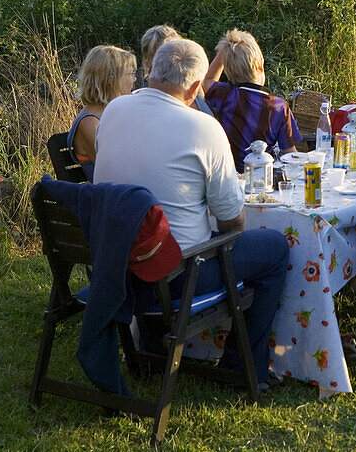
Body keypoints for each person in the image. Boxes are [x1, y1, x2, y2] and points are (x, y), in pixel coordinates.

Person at [93, 38, 289, 385]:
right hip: (173, 277)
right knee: (274, 247)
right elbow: (233, 221)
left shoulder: (113, 111)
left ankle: (152, 351)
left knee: (176, 233)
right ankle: (242, 365)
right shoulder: (203, 128)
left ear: (150, 70)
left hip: (116, 270)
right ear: (197, 87)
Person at [202, 29, 303, 172]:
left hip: (229, 174)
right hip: (262, 178)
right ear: (261, 65)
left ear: (228, 72)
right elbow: (290, 154)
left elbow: (207, 80)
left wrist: (224, 53)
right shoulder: (279, 106)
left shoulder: (225, 95)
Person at [69, 45, 136, 181]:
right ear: (111, 80)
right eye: (130, 74)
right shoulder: (89, 122)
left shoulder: (110, 114)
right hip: (110, 196)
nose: (134, 79)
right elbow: (112, 172)